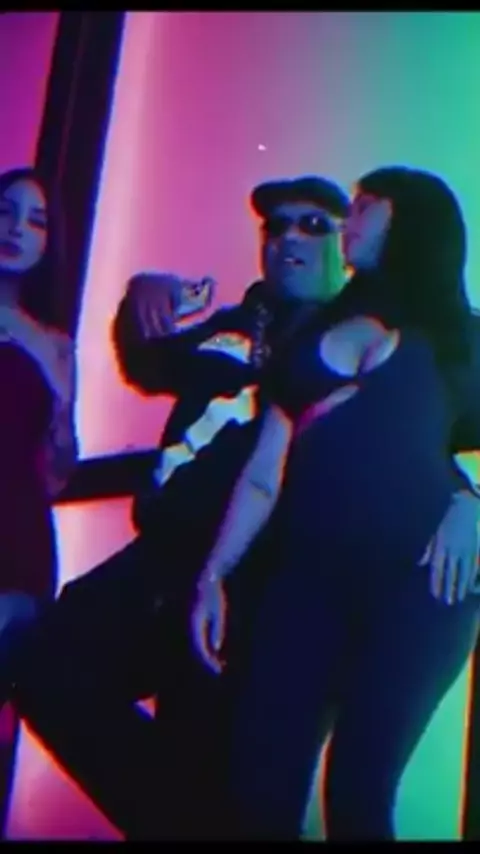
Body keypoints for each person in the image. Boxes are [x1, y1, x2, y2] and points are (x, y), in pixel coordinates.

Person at [0, 177, 353, 839]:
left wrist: (462, 498)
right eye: (276, 225)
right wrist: (142, 294)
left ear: (346, 245)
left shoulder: (362, 339)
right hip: (165, 555)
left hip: (261, 575)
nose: (289, 237)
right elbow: (148, 360)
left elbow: (430, 410)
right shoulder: (232, 327)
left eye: (313, 224)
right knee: (46, 657)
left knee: (216, 752)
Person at [191, 167, 480, 840]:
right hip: (309, 583)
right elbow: (263, 474)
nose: (349, 220)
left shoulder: (460, 336)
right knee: (258, 787)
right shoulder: (309, 335)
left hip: (423, 583)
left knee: (357, 787)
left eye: (365, 206)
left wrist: (475, 505)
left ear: (409, 218)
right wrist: (214, 573)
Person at [0, 167, 77, 836]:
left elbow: (57, 476)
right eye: (5, 210)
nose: (16, 229)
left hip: (16, 536)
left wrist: (57, 387)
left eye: (36, 220)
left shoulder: (55, 341)